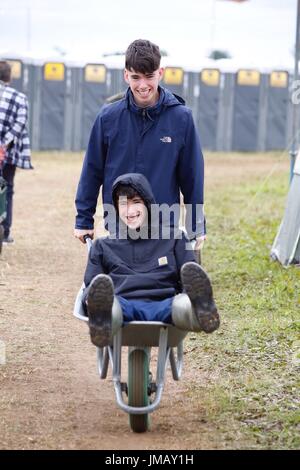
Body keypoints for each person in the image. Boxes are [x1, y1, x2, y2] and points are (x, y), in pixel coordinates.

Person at [74, 39, 206, 251]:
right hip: (120, 220)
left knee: (161, 281)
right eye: (135, 77)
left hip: (164, 223)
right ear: (126, 75)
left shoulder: (181, 118)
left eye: (149, 77)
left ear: (160, 73)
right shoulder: (108, 118)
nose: (143, 85)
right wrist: (83, 220)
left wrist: (196, 224)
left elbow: (192, 177)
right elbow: (92, 170)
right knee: (123, 280)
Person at [82, 173, 220, 347]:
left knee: (183, 305)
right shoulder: (103, 246)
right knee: (110, 307)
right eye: (123, 203)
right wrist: (89, 299)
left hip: (166, 304)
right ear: (116, 207)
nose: (130, 211)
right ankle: (102, 320)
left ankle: (199, 310)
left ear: (148, 204)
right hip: (121, 303)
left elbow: (189, 279)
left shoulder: (174, 238)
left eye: (136, 202)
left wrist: (190, 295)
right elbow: (91, 285)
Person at [0, 61, 33, 244]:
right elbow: (20, 124)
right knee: (6, 189)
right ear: (9, 77)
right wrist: (3, 145)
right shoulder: (19, 97)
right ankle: (5, 233)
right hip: (8, 153)